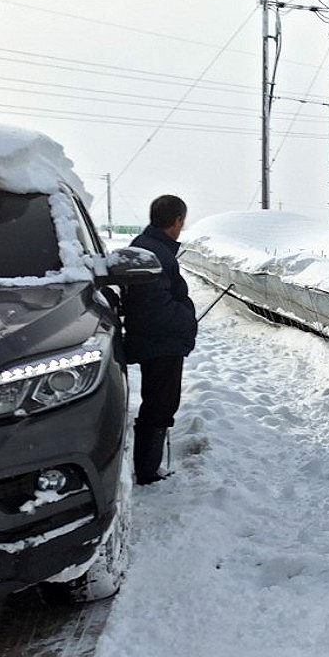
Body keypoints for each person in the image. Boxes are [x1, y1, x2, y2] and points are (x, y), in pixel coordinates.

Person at [122, 195, 198, 485]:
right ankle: (147, 471)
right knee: (160, 404)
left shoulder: (148, 247)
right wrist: (186, 318)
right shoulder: (153, 253)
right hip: (161, 342)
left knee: (159, 402)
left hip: (157, 339)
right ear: (177, 221)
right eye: (182, 221)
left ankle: (148, 467)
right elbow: (154, 308)